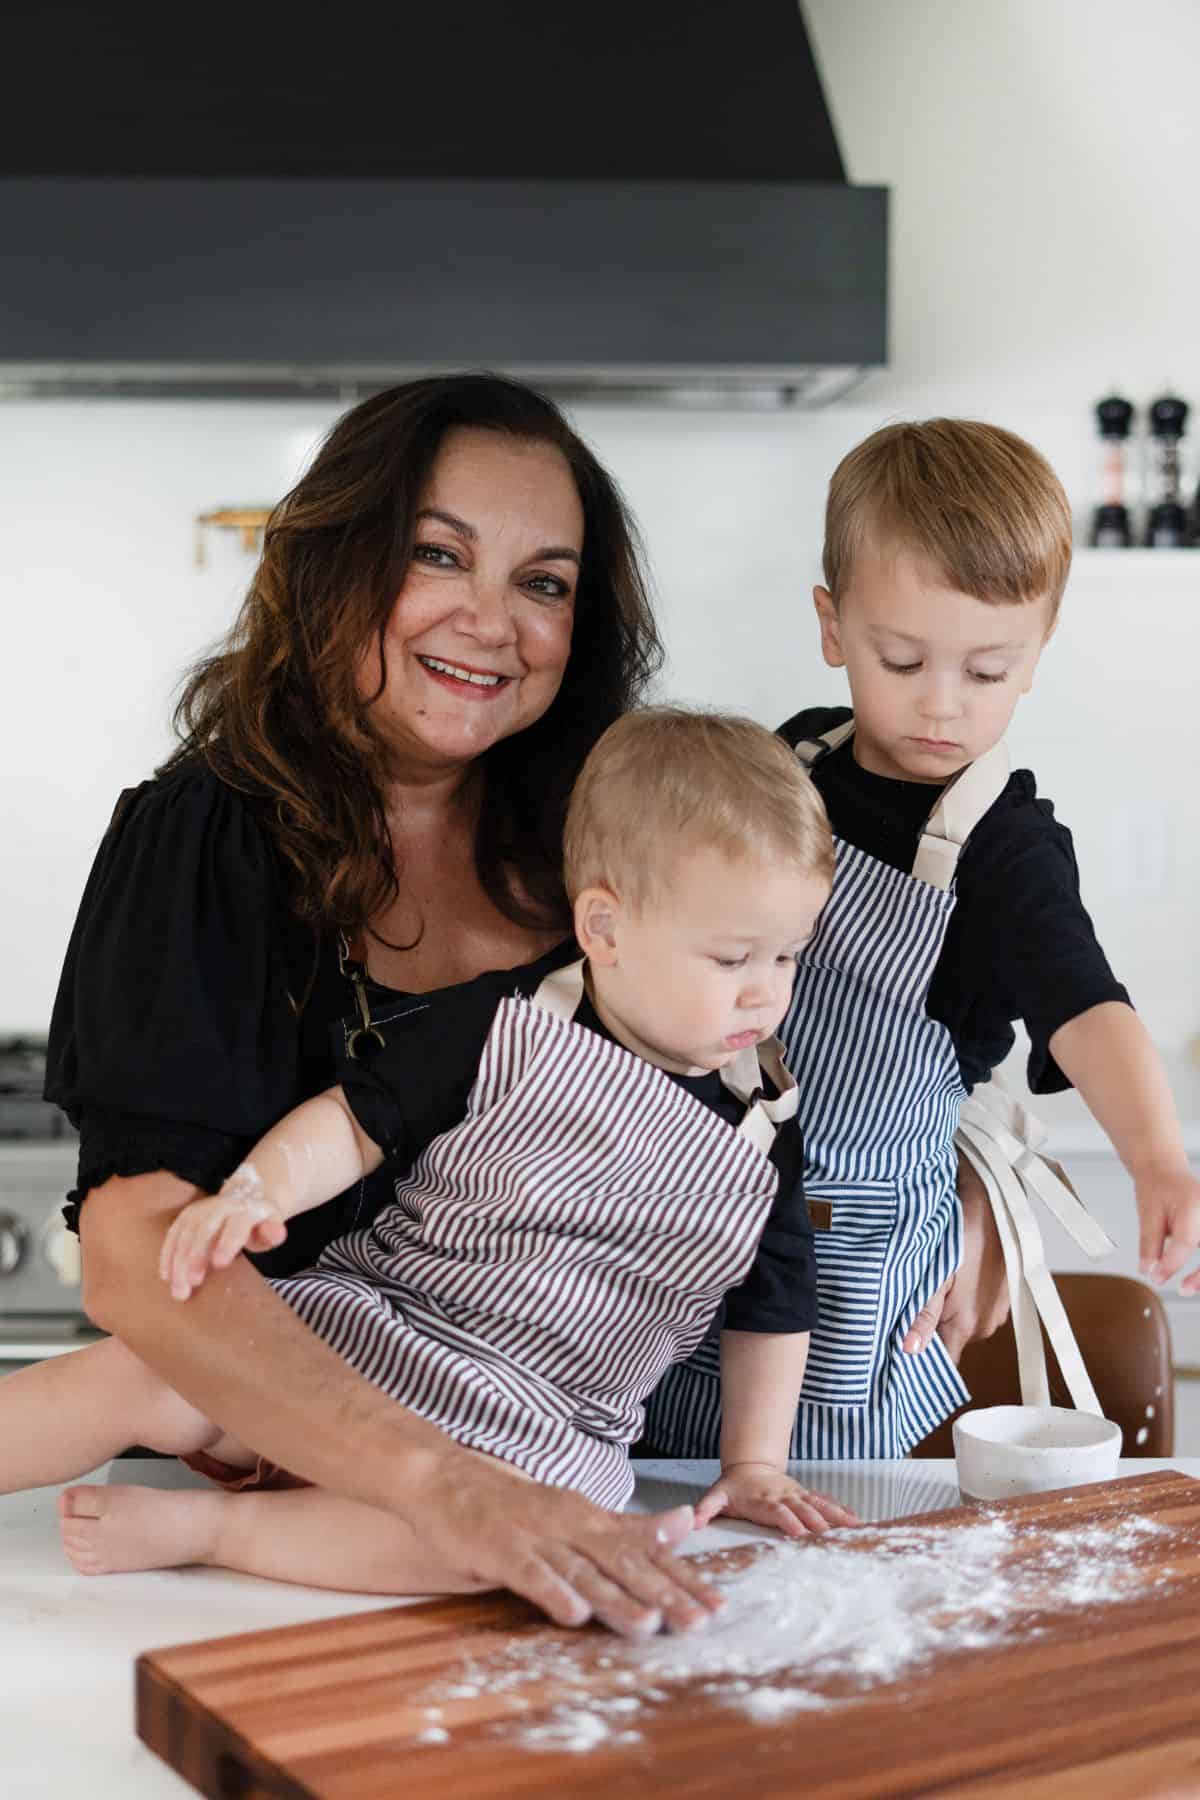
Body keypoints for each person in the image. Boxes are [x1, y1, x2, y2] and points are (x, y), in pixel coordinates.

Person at [39, 373, 735, 1637]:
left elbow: (759, 1028)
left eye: (544, 582)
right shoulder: (204, 835)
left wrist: (954, 1178)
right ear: (334, 565)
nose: (491, 621)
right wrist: (441, 1484)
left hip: (564, 1493)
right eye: (436, 556)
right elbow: (138, 1258)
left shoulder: (603, 844)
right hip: (273, 1557)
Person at [10, 710, 856, 1599]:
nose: (768, 992)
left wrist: (755, 1462)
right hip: (374, 1331)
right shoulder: (508, 1022)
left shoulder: (765, 1129)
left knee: (526, 1542)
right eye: (732, 959)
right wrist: (257, 1191)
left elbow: (774, 1305)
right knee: (150, 1371)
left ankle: (221, 1530)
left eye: (790, 956)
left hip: (545, 1422)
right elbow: (353, 1121)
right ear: (604, 929)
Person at [645, 418, 1200, 1461]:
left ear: (1036, 657)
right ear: (832, 626)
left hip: (847, 1245)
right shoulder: (788, 762)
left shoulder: (1003, 846)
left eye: (988, 672)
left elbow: (1085, 1007)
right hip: (703, 1193)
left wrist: (1158, 1156)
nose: (942, 705)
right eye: (901, 660)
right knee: (657, 1457)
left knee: (800, 1492)